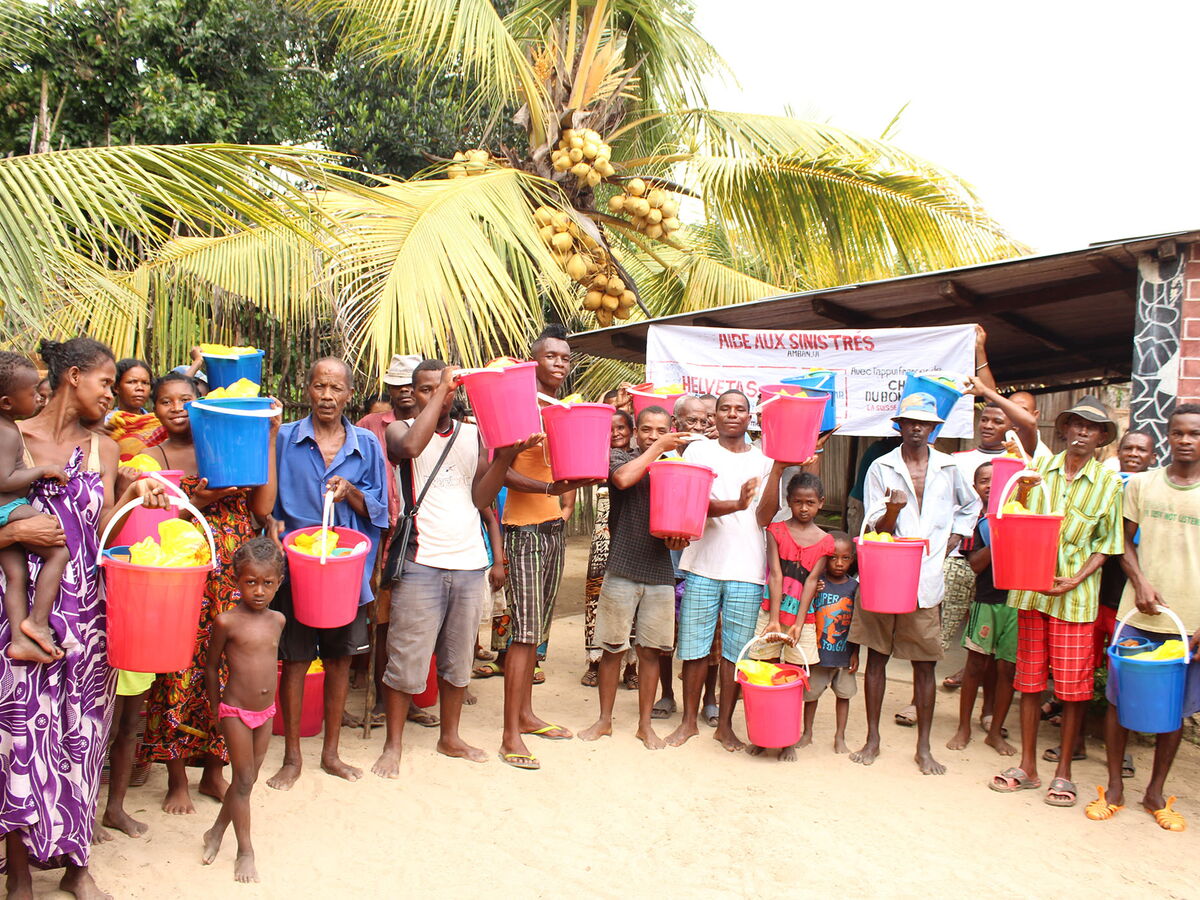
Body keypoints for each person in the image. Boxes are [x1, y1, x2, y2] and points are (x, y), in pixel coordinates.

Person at [3, 336, 167, 900]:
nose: (111, 393)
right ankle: (19, 869)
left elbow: (98, 536)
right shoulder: (11, 439)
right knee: (20, 736)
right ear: (73, 376)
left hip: (83, 613)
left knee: (81, 734)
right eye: (104, 382)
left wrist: (133, 498)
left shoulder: (106, 449)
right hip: (19, 611)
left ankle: (77, 865)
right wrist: (14, 531)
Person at [372, 360, 533, 775]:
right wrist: (443, 389)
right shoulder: (398, 430)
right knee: (406, 658)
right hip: (421, 562)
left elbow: (481, 497)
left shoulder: (471, 435)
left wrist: (507, 455)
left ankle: (450, 737)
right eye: (425, 390)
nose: (434, 395)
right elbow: (409, 451)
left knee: (458, 659)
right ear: (413, 394)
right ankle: (394, 745)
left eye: (441, 388)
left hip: (467, 564)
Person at [133, 371, 280, 816]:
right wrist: (208, 497)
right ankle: (176, 777)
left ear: (200, 406)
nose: (176, 407)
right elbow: (150, 518)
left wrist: (268, 437)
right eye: (164, 400)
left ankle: (215, 772)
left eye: (185, 400)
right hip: (181, 573)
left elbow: (263, 508)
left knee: (227, 672)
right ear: (155, 408)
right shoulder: (150, 456)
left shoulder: (228, 442)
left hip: (232, 576)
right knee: (176, 671)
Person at [990, 396, 1122, 807]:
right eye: (1076, 424)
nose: (1082, 432)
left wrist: (1075, 579)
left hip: (1075, 599)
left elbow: (1108, 544)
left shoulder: (1109, 483)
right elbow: (1009, 515)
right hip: (1031, 592)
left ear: (1101, 437)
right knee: (1028, 682)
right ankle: (1028, 767)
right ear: (1064, 429)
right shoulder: (1037, 470)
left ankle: (1063, 773)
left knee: (1072, 689)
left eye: (1092, 427)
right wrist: (1022, 495)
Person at [266, 357, 388, 789]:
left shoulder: (367, 445)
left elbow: (381, 512)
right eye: (320, 386)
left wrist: (350, 490)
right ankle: (293, 756)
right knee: (296, 660)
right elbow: (268, 503)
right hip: (296, 569)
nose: (327, 396)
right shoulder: (283, 438)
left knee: (338, 660)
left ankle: (332, 753)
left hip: (345, 574)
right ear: (308, 389)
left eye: (336, 389)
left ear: (349, 395)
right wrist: (273, 527)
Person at [847, 391, 980, 775]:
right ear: (900, 426)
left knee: (925, 663)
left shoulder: (949, 467)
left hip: (926, 578)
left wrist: (958, 533)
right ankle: (872, 739)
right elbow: (874, 527)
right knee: (877, 657)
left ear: (934, 429)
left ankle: (924, 747)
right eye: (910, 422)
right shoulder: (882, 467)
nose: (917, 429)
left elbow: (971, 505)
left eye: (924, 423)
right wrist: (892, 509)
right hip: (886, 574)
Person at [1086, 405, 1200, 831]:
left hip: (1189, 622)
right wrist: (1142, 583)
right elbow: (1123, 541)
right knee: (1119, 700)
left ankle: (1155, 793)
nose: (1186, 440)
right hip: (1139, 614)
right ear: (1167, 437)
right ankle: (1114, 787)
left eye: (1194, 433)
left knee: (1175, 709)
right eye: (1178, 433)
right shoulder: (1143, 485)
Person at [495, 326, 600, 769]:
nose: (560, 363)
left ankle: (527, 714)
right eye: (552, 356)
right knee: (523, 635)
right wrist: (548, 487)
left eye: (566, 358)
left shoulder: (562, 410)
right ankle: (509, 736)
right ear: (533, 361)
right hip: (523, 531)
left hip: (553, 529)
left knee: (536, 634)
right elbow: (498, 471)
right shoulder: (516, 407)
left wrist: (572, 486)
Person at [666, 390, 780, 751]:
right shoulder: (700, 452)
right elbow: (697, 504)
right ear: (714, 416)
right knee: (695, 648)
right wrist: (738, 503)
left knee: (735, 653)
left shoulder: (764, 460)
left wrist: (778, 469)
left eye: (740, 409)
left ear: (750, 417)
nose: (732, 414)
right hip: (702, 565)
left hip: (747, 570)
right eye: (725, 409)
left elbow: (763, 518)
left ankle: (725, 726)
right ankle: (688, 723)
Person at [579, 406, 690, 750]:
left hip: (660, 571)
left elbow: (688, 513)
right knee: (612, 649)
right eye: (646, 430)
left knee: (650, 652)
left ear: (669, 428)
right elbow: (624, 480)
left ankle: (645, 725)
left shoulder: (680, 467)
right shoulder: (619, 457)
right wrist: (658, 450)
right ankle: (604, 720)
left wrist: (681, 538)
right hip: (622, 566)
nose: (652, 436)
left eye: (660, 430)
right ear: (636, 431)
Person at [354, 353, 437, 729]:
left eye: (411, 384)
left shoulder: (438, 421)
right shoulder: (370, 425)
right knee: (383, 622)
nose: (404, 391)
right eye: (398, 384)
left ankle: (410, 700)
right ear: (388, 388)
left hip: (423, 535)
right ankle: (382, 700)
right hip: (381, 534)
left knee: (414, 623)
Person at [201, 536, 287, 883]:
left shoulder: (278, 620)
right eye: (250, 582)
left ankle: (215, 832)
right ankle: (245, 851)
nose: (259, 591)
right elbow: (209, 667)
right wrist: (214, 709)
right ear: (236, 580)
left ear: (279, 583)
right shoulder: (227, 622)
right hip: (234, 711)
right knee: (246, 778)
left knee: (243, 783)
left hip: (266, 711)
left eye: (267, 583)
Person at [747, 472, 836, 759]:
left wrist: (797, 623)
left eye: (810, 502)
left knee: (795, 678)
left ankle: (787, 739)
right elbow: (775, 573)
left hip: (803, 619)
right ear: (789, 502)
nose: (804, 508)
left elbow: (811, 582)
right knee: (765, 671)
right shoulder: (776, 530)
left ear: (821, 503)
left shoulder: (825, 542)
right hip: (771, 611)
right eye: (797, 502)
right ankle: (763, 735)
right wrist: (774, 619)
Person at [0, 352, 70, 662]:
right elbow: (5, 479)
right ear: (6, 402)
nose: (39, 400)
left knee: (17, 574)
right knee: (58, 550)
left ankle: (20, 638)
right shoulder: (6, 431)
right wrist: (42, 470)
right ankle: (38, 622)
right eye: (32, 394)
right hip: (9, 507)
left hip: (6, 514)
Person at [945, 462, 1018, 755]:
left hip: (1018, 601)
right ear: (975, 487)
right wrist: (1001, 534)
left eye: (996, 480)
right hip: (987, 599)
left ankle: (995, 731)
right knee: (975, 665)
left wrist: (1013, 524)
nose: (990, 485)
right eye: (984, 480)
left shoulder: (1023, 516)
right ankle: (963, 727)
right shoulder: (975, 522)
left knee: (1007, 670)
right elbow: (975, 565)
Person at [581, 408, 636, 688]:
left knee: (633, 605)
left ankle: (631, 666)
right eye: (610, 428)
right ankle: (594, 661)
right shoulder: (595, 456)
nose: (616, 433)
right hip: (602, 540)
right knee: (596, 598)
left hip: (631, 538)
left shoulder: (640, 459)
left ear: (632, 431)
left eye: (622, 428)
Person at [800, 533, 858, 754]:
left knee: (843, 696)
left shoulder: (854, 588)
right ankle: (807, 733)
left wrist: (855, 653)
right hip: (817, 655)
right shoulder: (817, 583)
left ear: (852, 559)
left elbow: (857, 625)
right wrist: (813, 592)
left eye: (845, 558)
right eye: (833, 558)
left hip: (844, 656)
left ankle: (839, 736)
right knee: (811, 696)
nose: (839, 563)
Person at [105, 359, 164, 461]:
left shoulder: (157, 422)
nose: (140, 388)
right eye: (132, 382)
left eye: (145, 383)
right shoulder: (107, 423)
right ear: (116, 387)